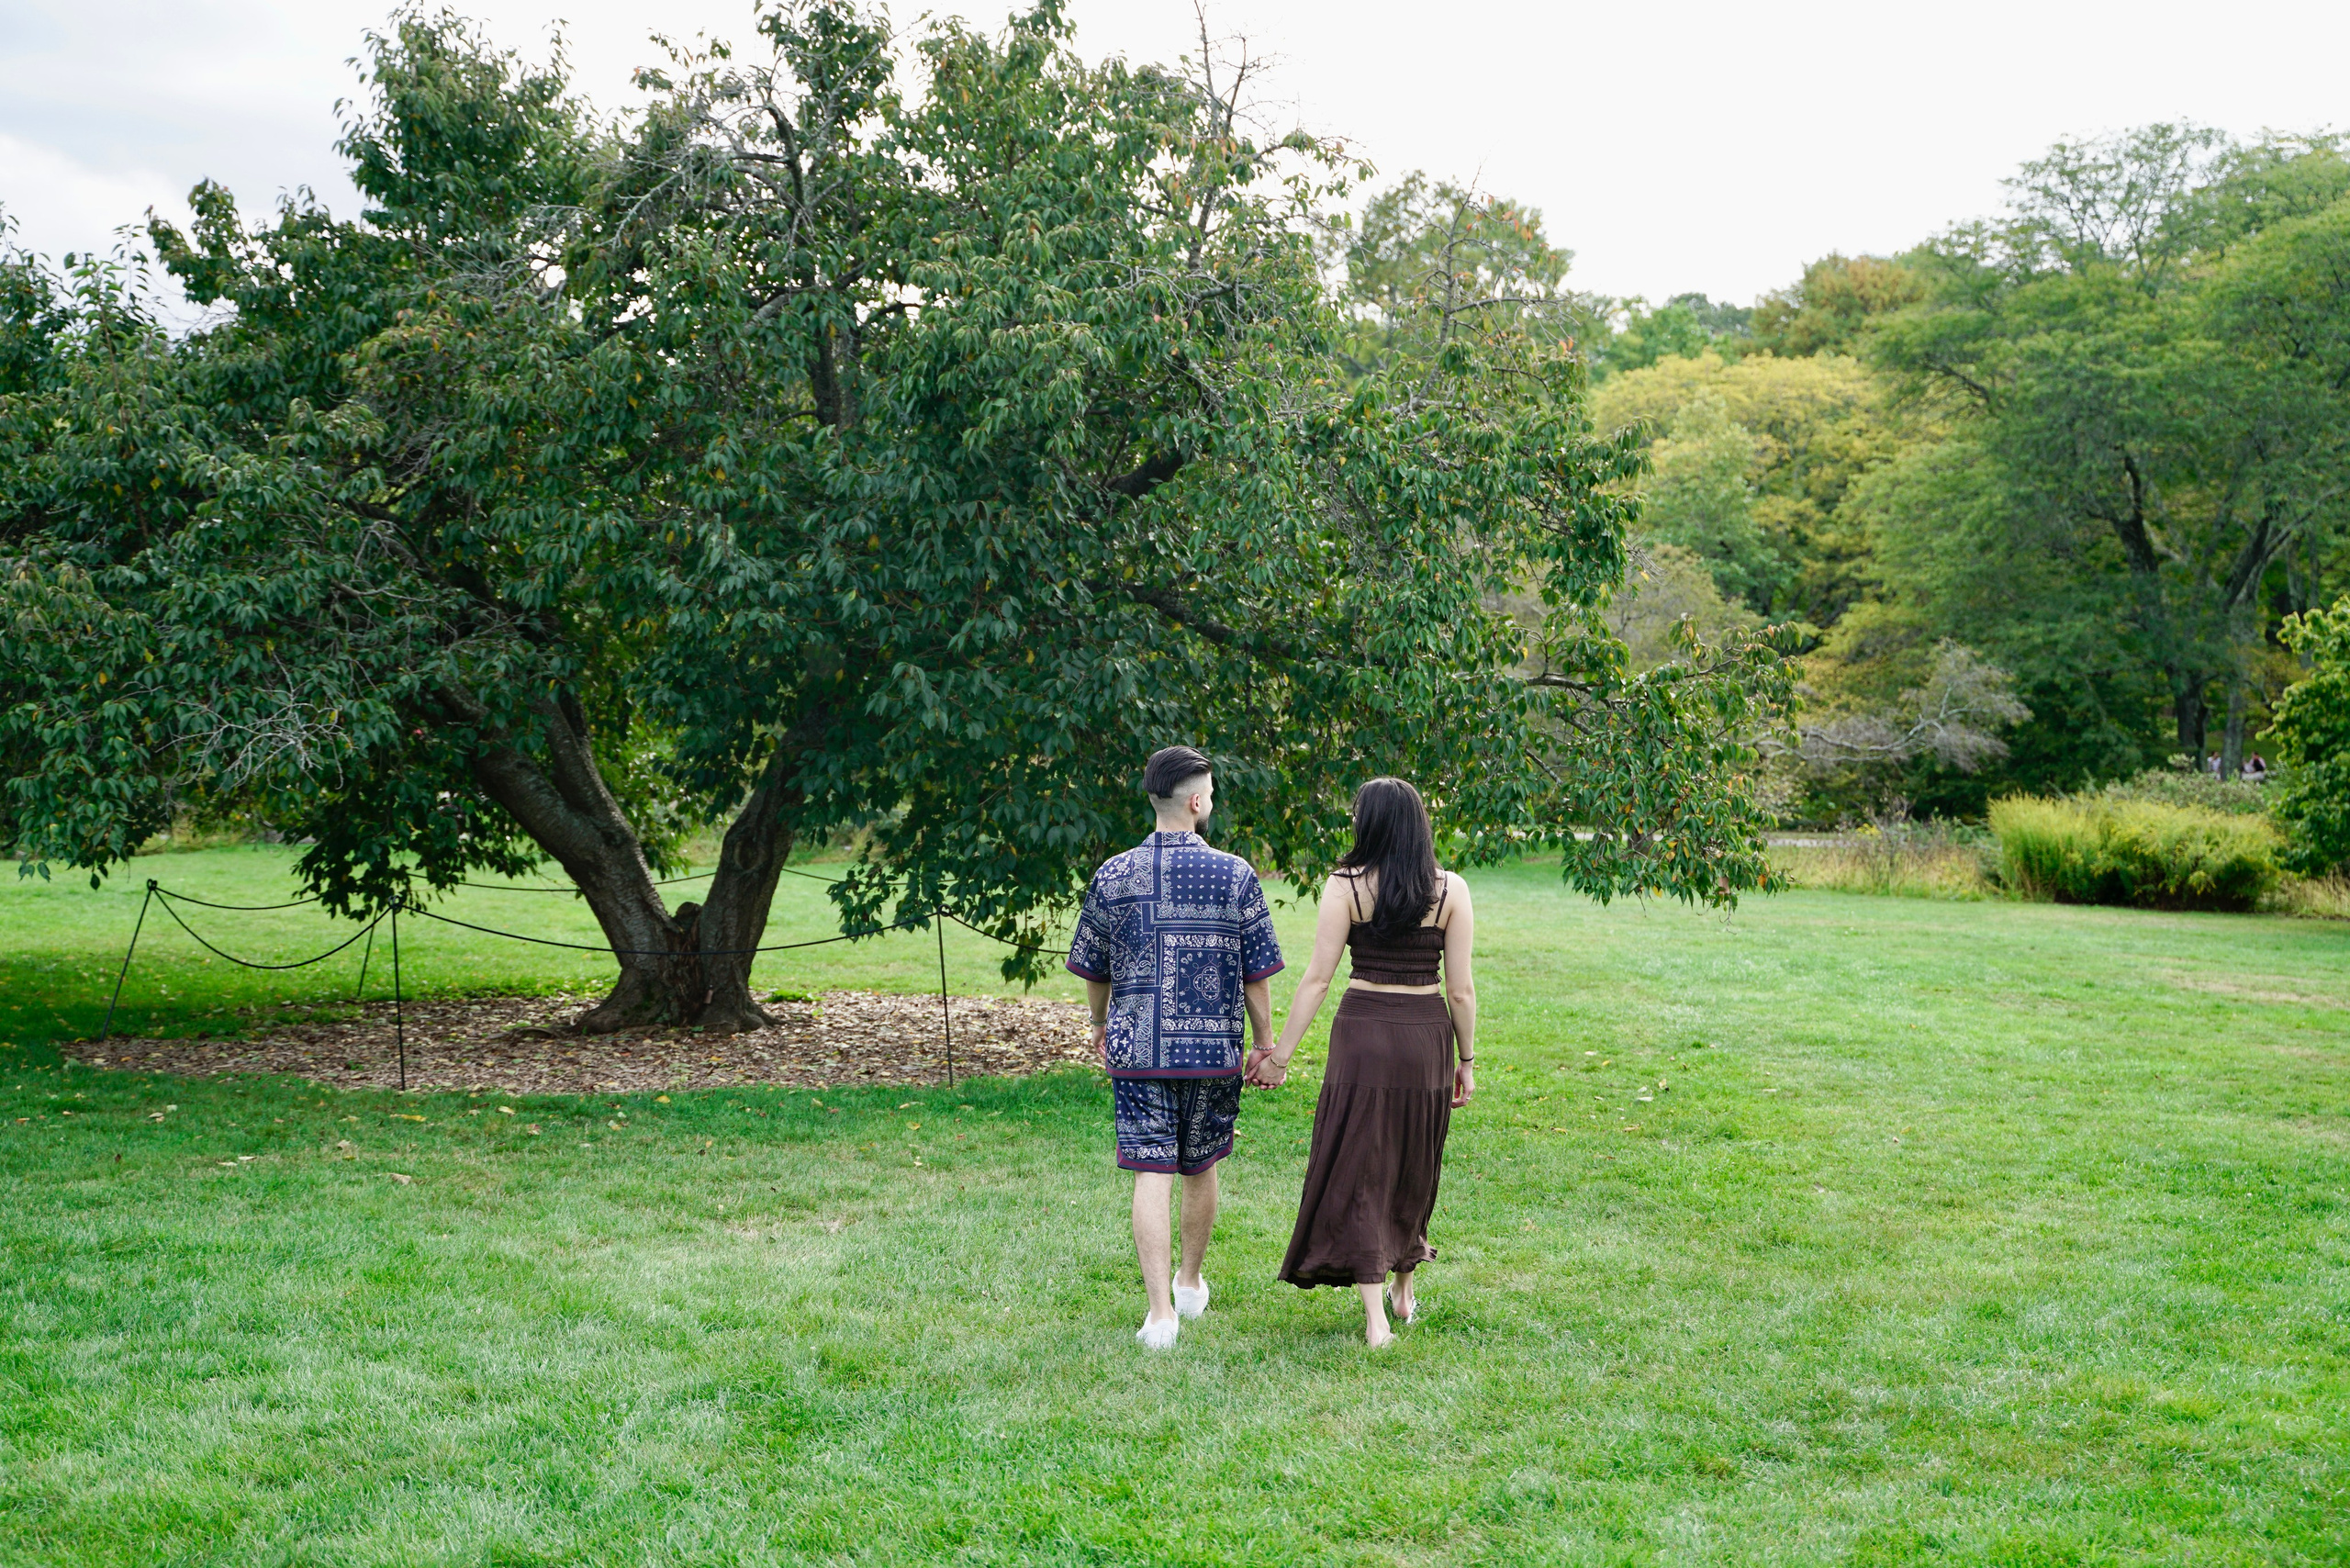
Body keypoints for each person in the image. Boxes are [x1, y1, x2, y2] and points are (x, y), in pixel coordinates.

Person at [1066, 746, 1285, 1350]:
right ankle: (1188, 1284)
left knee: (1150, 1169)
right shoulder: (1236, 874)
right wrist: (1265, 1045)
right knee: (1202, 1164)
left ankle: (1159, 1314)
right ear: (1196, 802)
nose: (1210, 802)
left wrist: (1099, 1020)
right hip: (1213, 1049)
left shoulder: (1113, 874)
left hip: (1138, 1047)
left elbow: (1093, 967)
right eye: (1209, 793)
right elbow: (1257, 977)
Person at [1248, 777, 1475, 1349]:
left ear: (1366, 824)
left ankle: (1377, 1318)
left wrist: (1280, 1056)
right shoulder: (1452, 890)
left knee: (1365, 1161)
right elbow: (1462, 990)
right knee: (1413, 1157)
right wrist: (1466, 1059)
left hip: (1364, 1034)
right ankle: (1403, 1289)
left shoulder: (1346, 885)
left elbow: (1318, 979)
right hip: (1426, 1038)